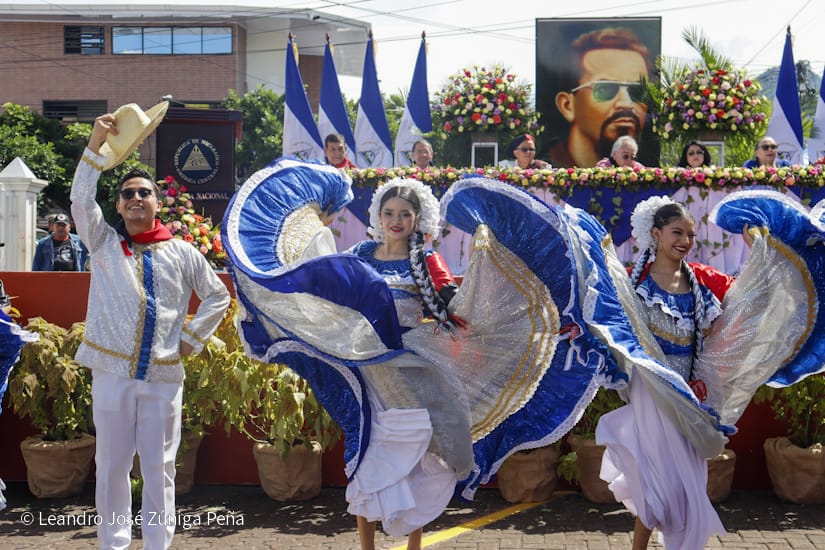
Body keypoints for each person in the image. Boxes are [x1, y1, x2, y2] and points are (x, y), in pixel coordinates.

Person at [222, 160, 617, 550]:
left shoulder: (426, 260)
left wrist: (492, 278)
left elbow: (453, 306)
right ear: (378, 216)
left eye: (405, 214)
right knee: (368, 458)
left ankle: (413, 545)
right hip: (366, 371)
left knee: (417, 460)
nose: (396, 220)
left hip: (412, 369)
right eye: (389, 213)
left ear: (417, 219)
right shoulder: (360, 254)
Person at [70, 112, 230, 550]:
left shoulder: (183, 252)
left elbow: (217, 296)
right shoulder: (104, 244)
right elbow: (81, 200)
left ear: (158, 203)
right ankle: (114, 543)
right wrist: (95, 143)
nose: (136, 198)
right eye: (128, 194)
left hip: (163, 376)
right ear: (119, 206)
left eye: (145, 192)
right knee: (111, 465)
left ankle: (158, 544)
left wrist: (191, 340)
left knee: (160, 468)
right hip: (111, 373)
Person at [550, 27, 651, 168]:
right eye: (605, 89)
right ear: (567, 106)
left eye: (637, 91)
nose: (626, 103)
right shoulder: (547, 172)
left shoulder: (645, 174)